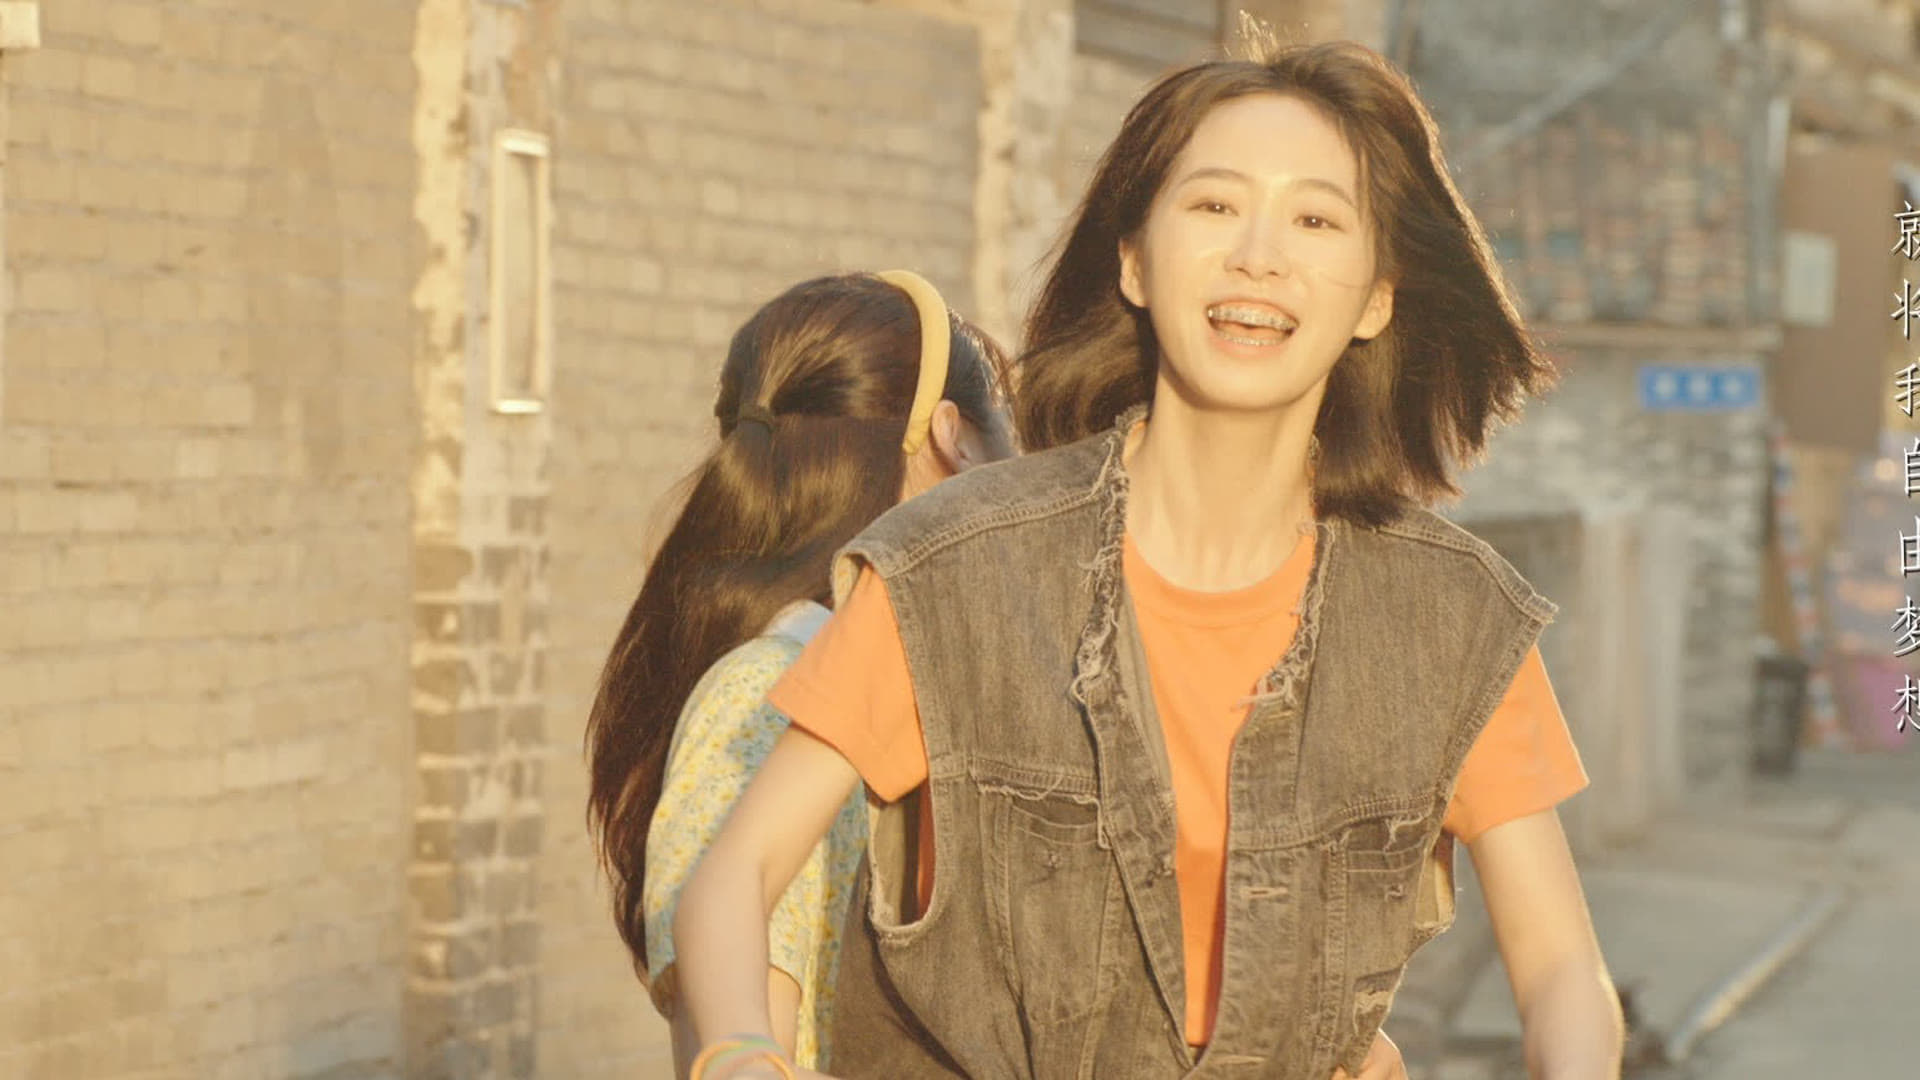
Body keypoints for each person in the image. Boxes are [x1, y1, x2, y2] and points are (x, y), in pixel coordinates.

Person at [672, 38, 1625, 1080]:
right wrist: (741, 1053)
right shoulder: (953, 573)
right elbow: (735, 878)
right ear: (1134, 260)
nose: (1259, 255)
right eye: (1215, 205)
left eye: (1315, 220)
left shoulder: (1451, 618)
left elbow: (1562, 973)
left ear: (1376, 298)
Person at [584, 271, 1016, 1078]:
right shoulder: (767, 696)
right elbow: (753, 1040)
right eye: (1012, 426)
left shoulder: (876, 675)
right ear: (953, 435)